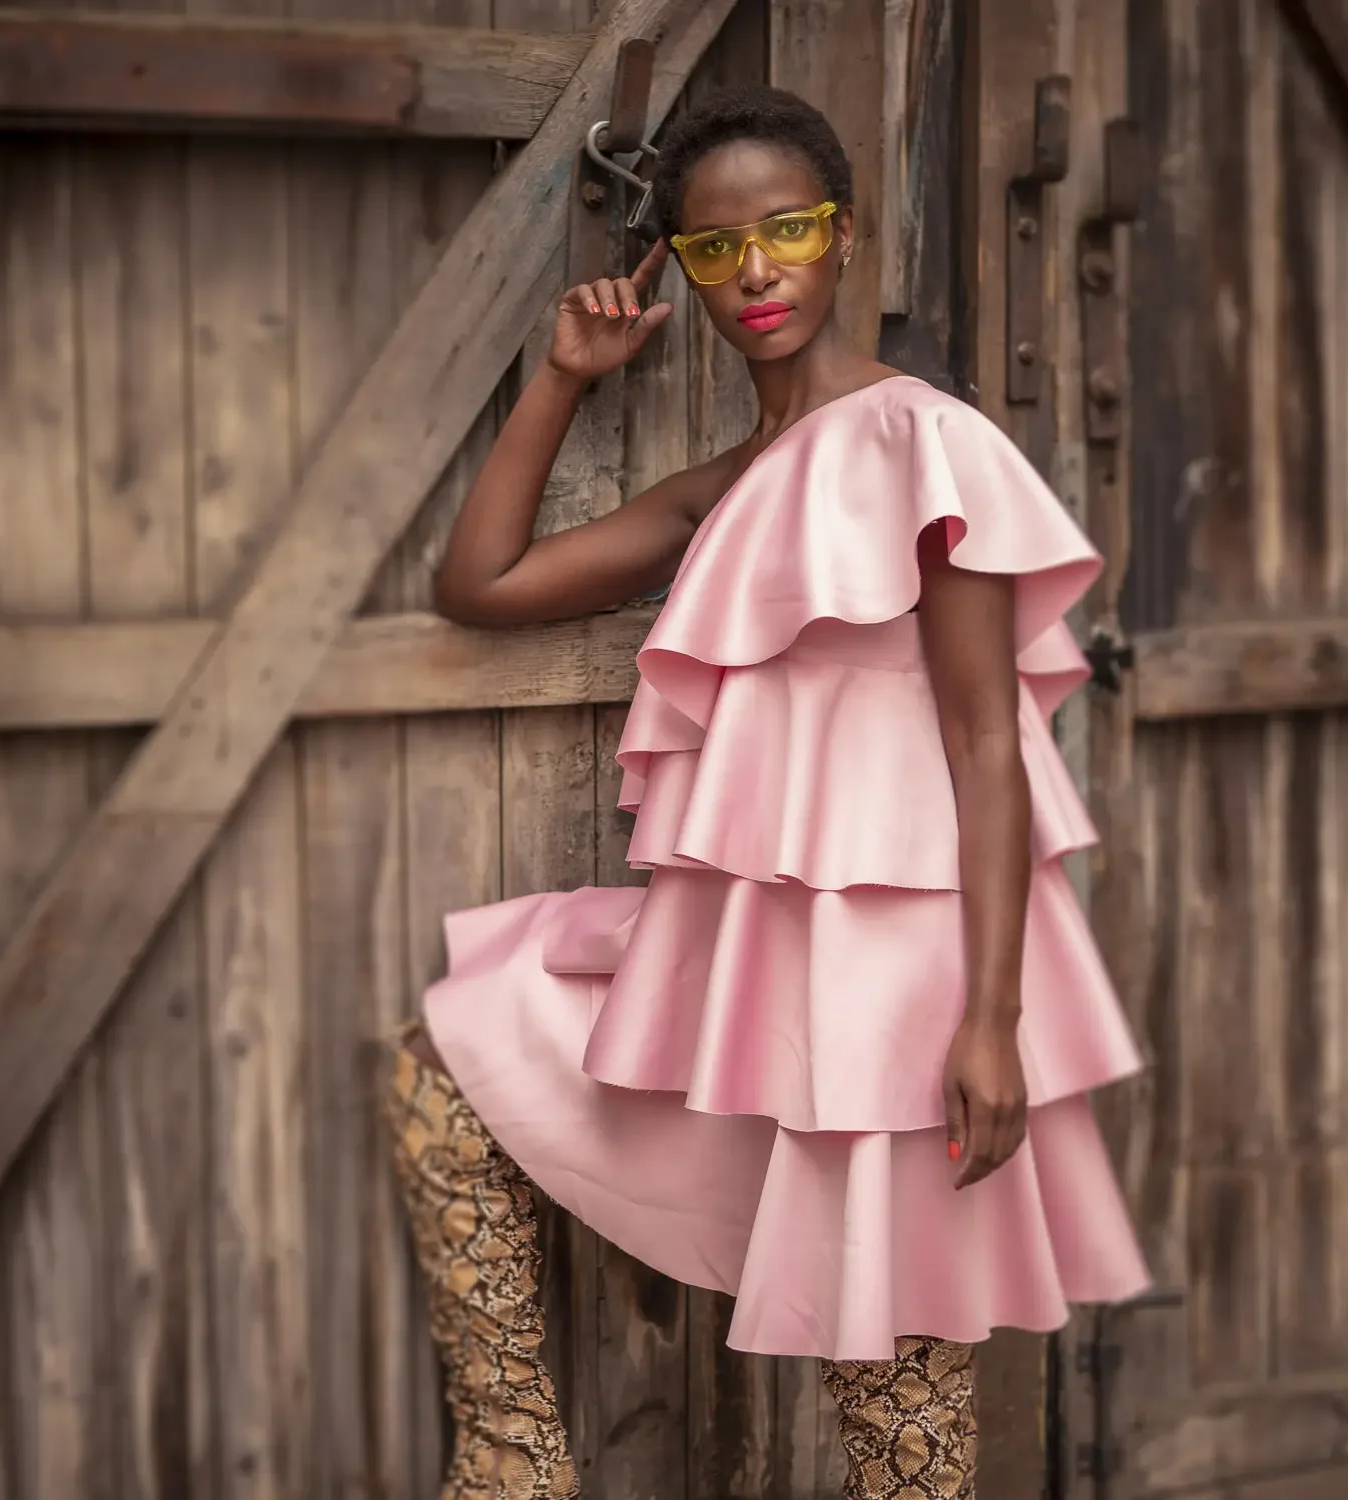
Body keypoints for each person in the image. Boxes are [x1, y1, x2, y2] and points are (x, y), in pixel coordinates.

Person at [381, 83, 1150, 1500]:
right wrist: (561, 377)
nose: (755, 272)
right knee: (450, 1064)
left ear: (841, 237)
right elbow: (479, 584)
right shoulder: (723, 485)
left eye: (786, 231)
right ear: (680, 265)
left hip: (908, 989)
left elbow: (988, 748)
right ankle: (515, 1469)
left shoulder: (924, 443)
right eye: (714, 247)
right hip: (755, 973)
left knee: (902, 1425)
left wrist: (990, 1021)